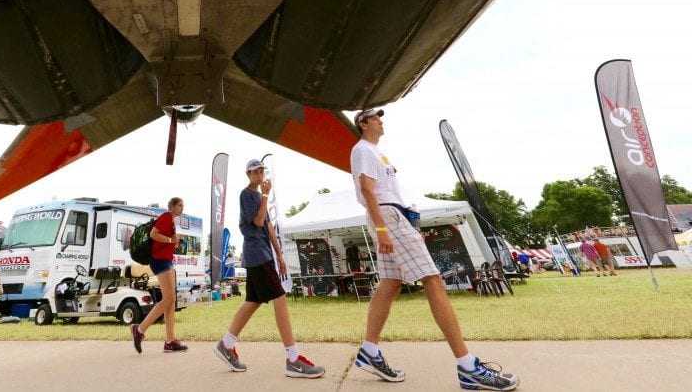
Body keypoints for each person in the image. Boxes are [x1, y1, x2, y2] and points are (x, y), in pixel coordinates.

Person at [349, 108, 519, 391]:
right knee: (433, 279)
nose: (381, 120)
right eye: (375, 117)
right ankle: (467, 367)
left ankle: (369, 350)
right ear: (363, 124)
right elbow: (367, 191)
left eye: (381, 117)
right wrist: (382, 229)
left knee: (391, 283)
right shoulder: (363, 150)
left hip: (394, 215)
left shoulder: (376, 152)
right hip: (387, 216)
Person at [213, 160, 324, 378]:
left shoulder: (259, 196)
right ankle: (293, 359)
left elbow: (269, 226)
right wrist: (265, 196)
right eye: (255, 171)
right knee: (280, 297)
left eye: (261, 170)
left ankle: (226, 344)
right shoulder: (247, 195)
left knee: (252, 302)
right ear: (248, 174)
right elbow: (257, 221)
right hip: (256, 253)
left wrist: (280, 254)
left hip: (263, 254)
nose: (259, 174)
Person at [128, 197, 188, 353]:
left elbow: (164, 241)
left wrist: (174, 242)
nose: (182, 208)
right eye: (180, 205)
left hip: (166, 260)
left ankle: (170, 341)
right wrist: (170, 240)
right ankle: (139, 330)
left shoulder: (171, 221)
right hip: (160, 261)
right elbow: (154, 234)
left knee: (171, 301)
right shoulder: (166, 217)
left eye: (183, 205)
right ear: (172, 206)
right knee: (168, 299)